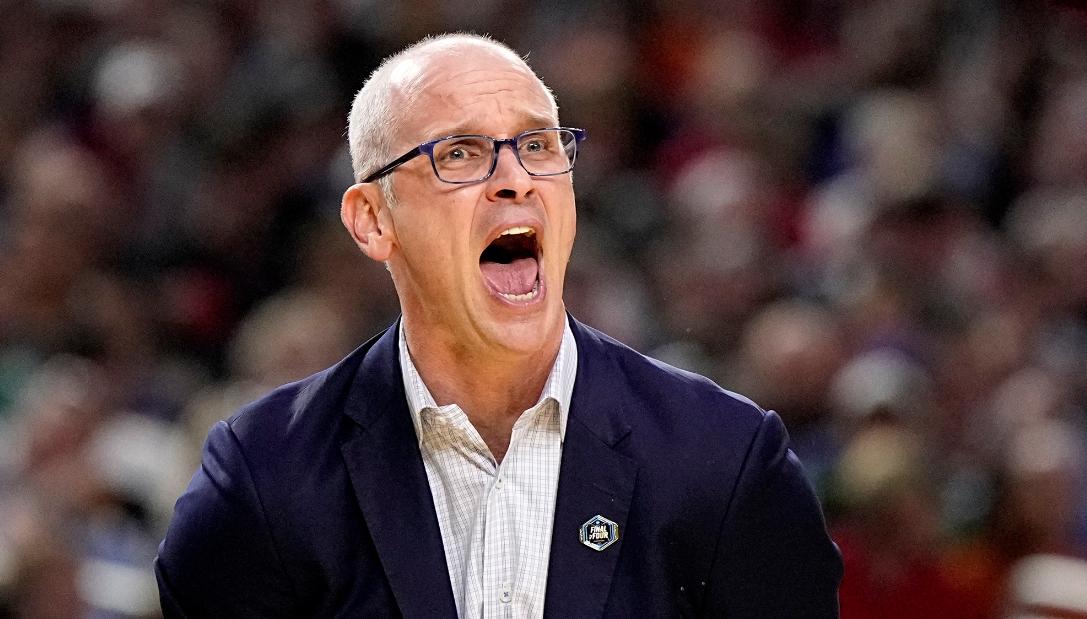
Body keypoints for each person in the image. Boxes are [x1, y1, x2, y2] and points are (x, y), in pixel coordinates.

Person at [154, 33, 843, 617]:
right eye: (459, 154)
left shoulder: (723, 460)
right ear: (373, 219)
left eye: (539, 145)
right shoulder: (266, 477)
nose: (515, 179)